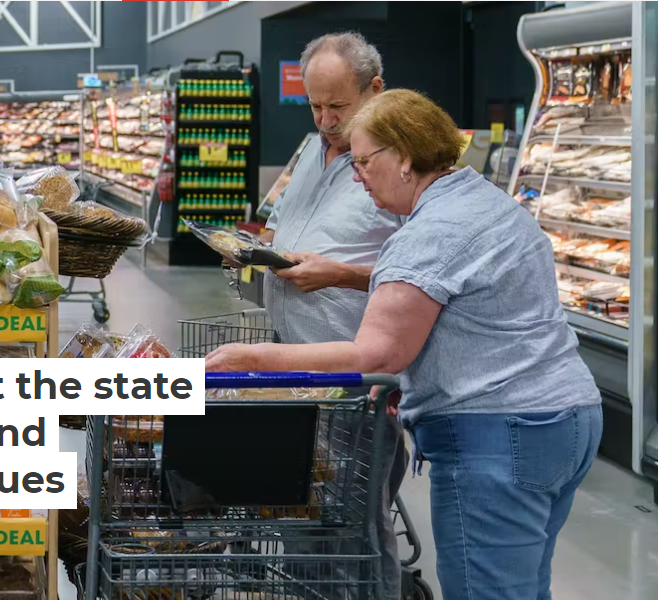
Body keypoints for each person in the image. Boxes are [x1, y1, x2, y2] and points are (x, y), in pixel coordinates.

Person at [205, 89, 603, 600]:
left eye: (366, 161)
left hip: (496, 436)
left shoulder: (428, 234)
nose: (357, 174)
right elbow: (452, 301)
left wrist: (251, 360)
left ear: (406, 157)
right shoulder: (483, 199)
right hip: (566, 417)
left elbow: (377, 354)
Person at [257, 32, 407, 599]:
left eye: (337, 107)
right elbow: (287, 227)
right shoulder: (313, 150)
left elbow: (428, 273)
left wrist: (339, 273)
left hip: (355, 379)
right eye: (315, 105)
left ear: (375, 90)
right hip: (295, 366)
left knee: (351, 527)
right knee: (301, 513)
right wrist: (265, 251)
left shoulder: (397, 163)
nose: (325, 119)